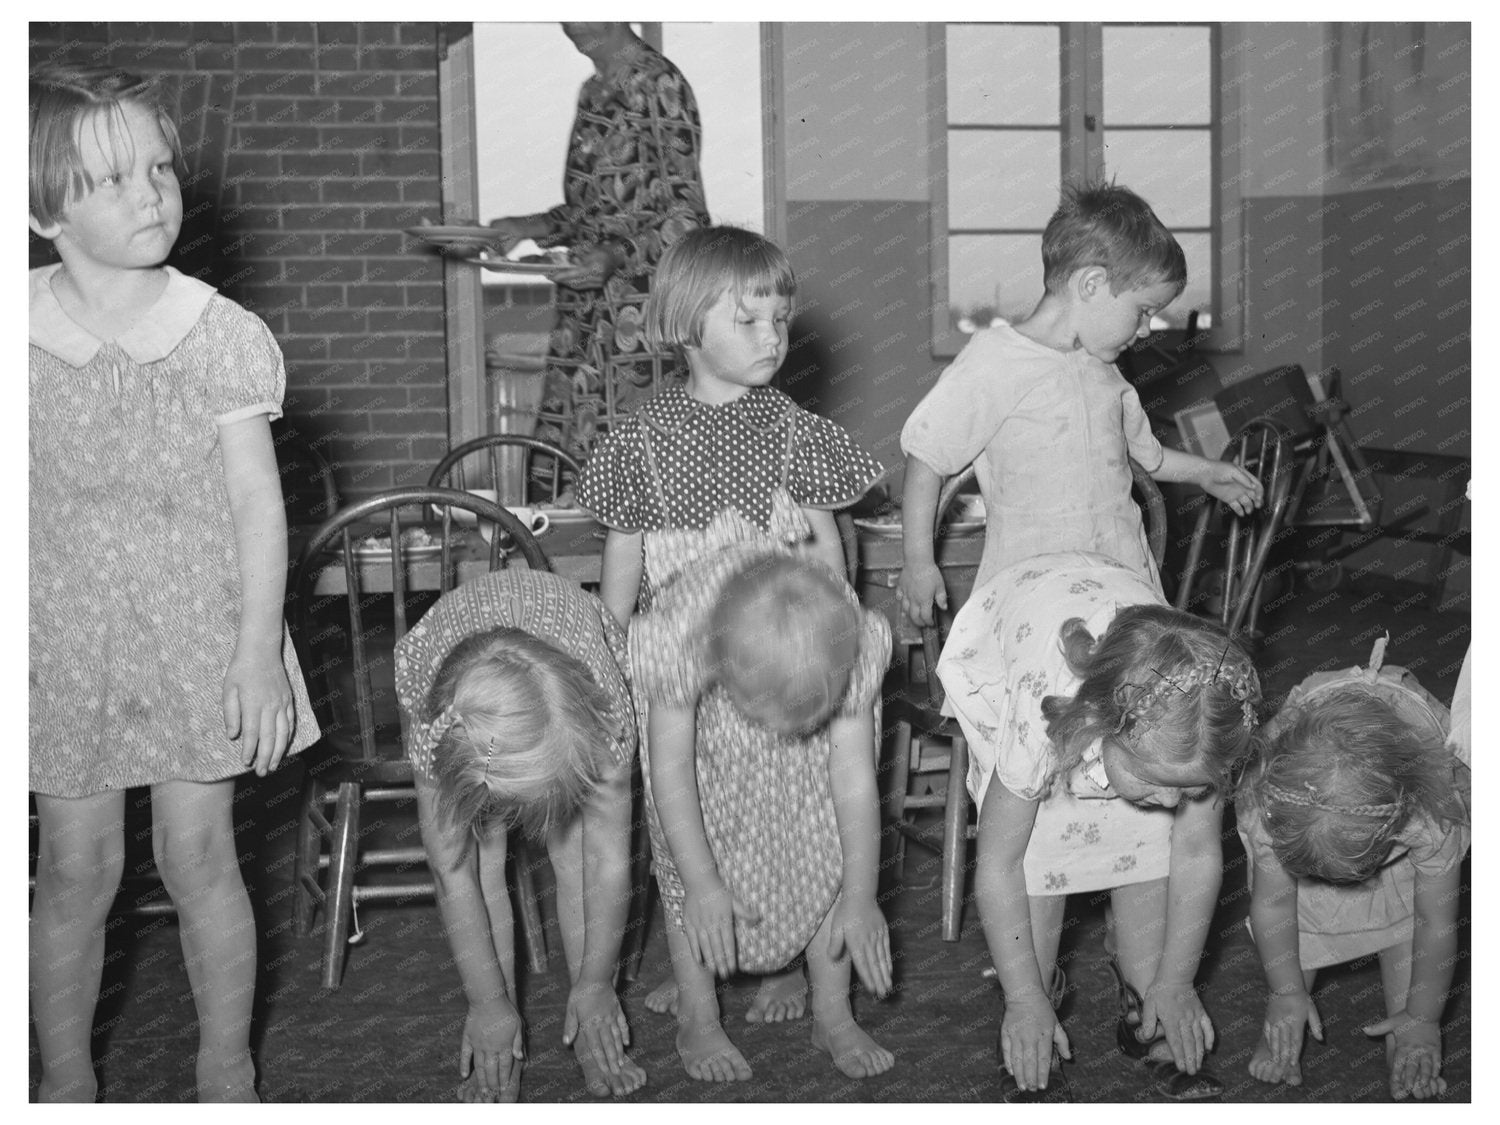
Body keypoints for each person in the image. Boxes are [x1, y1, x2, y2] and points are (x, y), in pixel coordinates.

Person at [28, 65, 319, 1102]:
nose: (151, 194)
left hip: (200, 629)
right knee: (72, 873)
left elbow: (257, 506)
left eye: (161, 168)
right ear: (40, 207)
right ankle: (59, 1082)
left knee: (201, 860)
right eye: (114, 179)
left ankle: (225, 1070)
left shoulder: (219, 333)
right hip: (61, 641)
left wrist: (256, 653)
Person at [574, 224, 885, 1032]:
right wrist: (612, 670)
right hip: (691, 684)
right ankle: (701, 1013)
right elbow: (619, 584)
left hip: (785, 661)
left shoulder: (794, 431)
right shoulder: (639, 442)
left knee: (807, 828)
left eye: (779, 319)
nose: (771, 337)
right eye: (747, 319)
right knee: (692, 840)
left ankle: (827, 1002)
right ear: (683, 324)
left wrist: (832, 642)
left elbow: (828, 552)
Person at [935, 551, 1261, 1102]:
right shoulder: (1043, 717)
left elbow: (1198, 855)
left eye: (1190, 788)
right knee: (1034, 849)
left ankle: (1147, 1006)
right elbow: (999, 864)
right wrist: (1022, 997)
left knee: (1155, 840)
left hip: (1118, 634)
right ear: (1102, 723)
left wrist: (1176, 980)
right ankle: (1030, 1017)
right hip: (1009, 635)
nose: (1170, 799)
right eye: (1157, 780)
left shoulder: (1205, 729)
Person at [897, 180, 1263, 626]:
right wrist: (919, 562)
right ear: (1091, 283)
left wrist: (1207, 472)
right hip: (1033, 590)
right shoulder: (995, 361)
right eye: (1143, 310)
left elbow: (1145, 458)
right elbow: (927, 457)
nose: (1146, 330)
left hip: (1121, 579)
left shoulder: (1107, 372)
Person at [631, 537, 894, 1082]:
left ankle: (833, 1014)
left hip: (808, 772)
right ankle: (699, 1017)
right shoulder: (680, 638)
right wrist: (703, 883)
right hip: (706, 761)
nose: (786, 735)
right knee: (691, 871)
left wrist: (861, 894)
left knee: (825, 849)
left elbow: (853, 779)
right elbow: (670, 774)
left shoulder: (848, 635)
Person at [394, 568, 645, 1102]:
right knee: (482, 856)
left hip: (572, 631)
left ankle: (588, 1019)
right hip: (457, 671)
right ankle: (498, 1034)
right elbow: (453, 874)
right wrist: (487, 1003)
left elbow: (609, 864)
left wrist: (598, 984)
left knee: (577, 852)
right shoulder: (435, 729)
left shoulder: (605, 721)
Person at [1236, 636, 1470, 1100]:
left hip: (1406, 764)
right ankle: (1285, 1011)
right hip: (1316, 761)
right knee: (1296, 921)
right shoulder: (1268, 807)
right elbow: (1275, 903)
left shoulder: (1432, 813)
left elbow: (1435, 921)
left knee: (1407, 921)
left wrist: (1424, 1017)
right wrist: (1286, 991)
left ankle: (1407, 1036)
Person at [487, 22, 711, 462]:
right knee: (562, 465)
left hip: (638, 319)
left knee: (628, 472)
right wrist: (522, 226)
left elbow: (687, 216)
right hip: (581, 316)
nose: (567, 23)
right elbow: (591, 214)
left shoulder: (660, 83)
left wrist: (617, 254)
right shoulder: (592, 92)